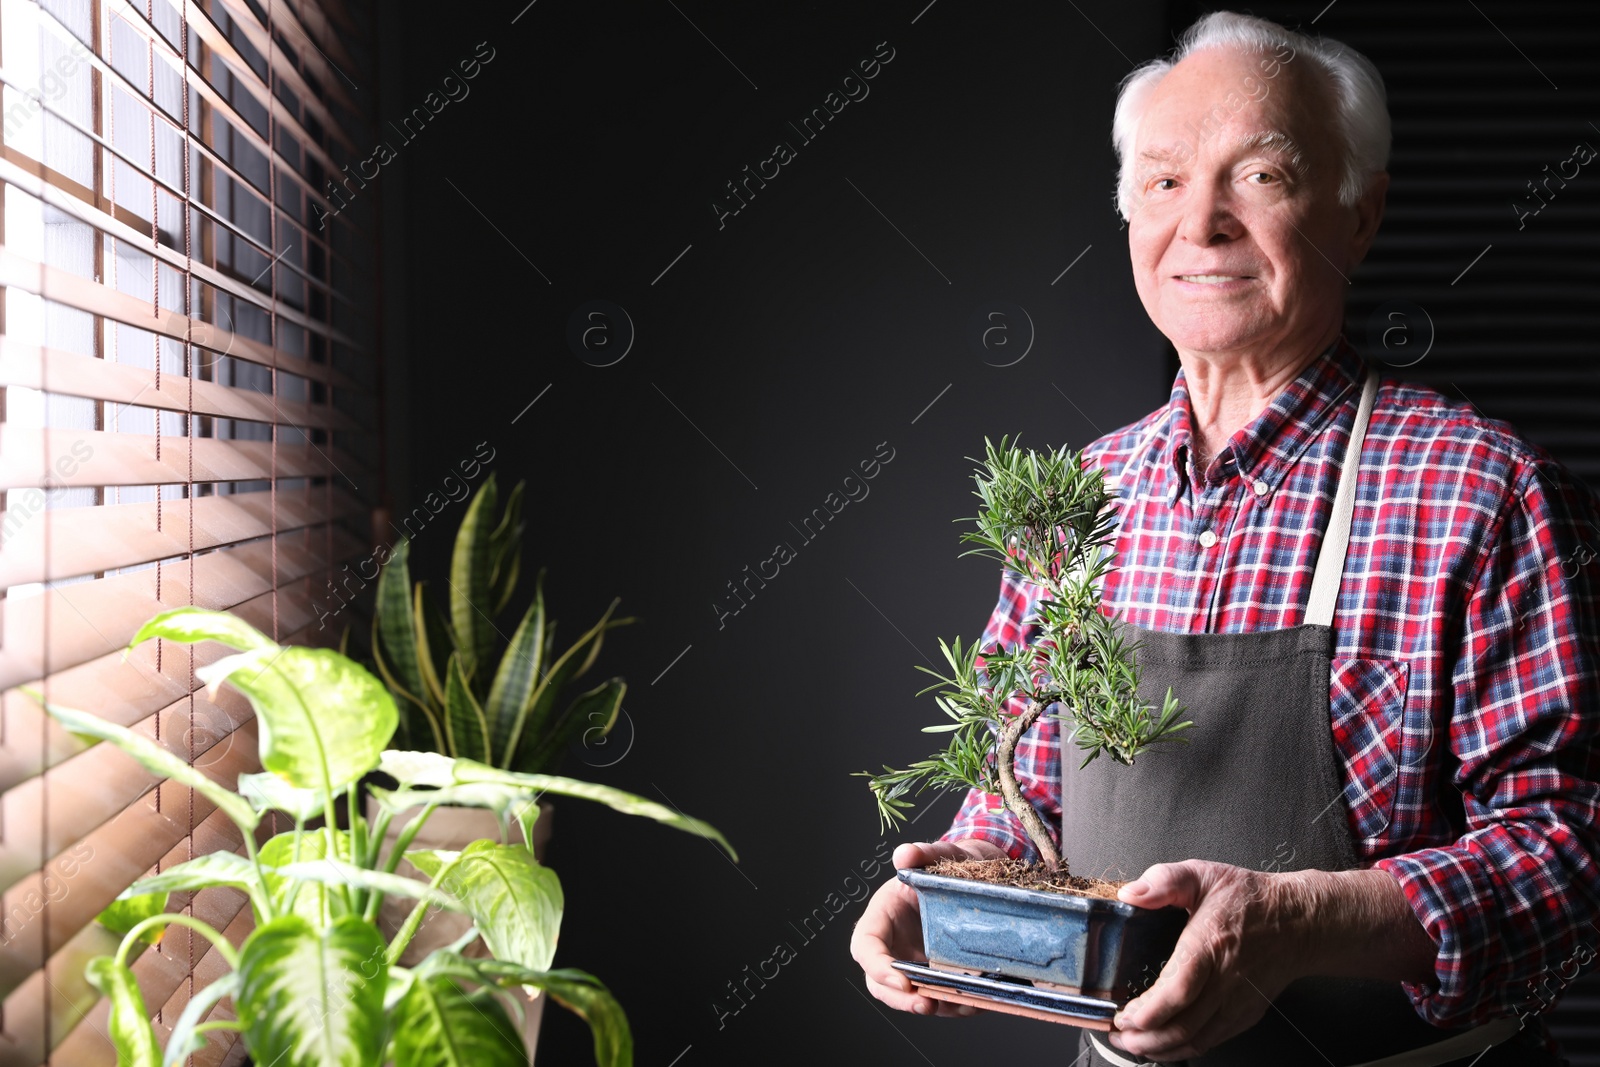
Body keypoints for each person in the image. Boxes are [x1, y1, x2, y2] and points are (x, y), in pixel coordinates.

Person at [849, 11, 1600, 1067]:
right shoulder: (1078, 499)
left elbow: (1566, 860)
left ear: (1359, 213)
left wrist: (1293, 922)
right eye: (1161, 182)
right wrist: (941, 894)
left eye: (1258, 177)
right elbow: (1017, 812)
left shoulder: (1479, 488)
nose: (1199, 224)